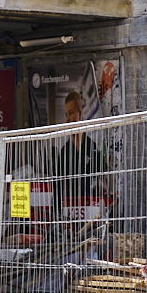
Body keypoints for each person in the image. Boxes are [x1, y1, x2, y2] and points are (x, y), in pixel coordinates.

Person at [53, 90, 106, 220]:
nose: (68, 119)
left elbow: (104, 175)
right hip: (70, 213)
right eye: (66, 115)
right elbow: (57, 186)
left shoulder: (92, 148)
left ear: (80, 113)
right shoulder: (64, 152)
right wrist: (57, 213)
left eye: (71, 113)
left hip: (91, 212)